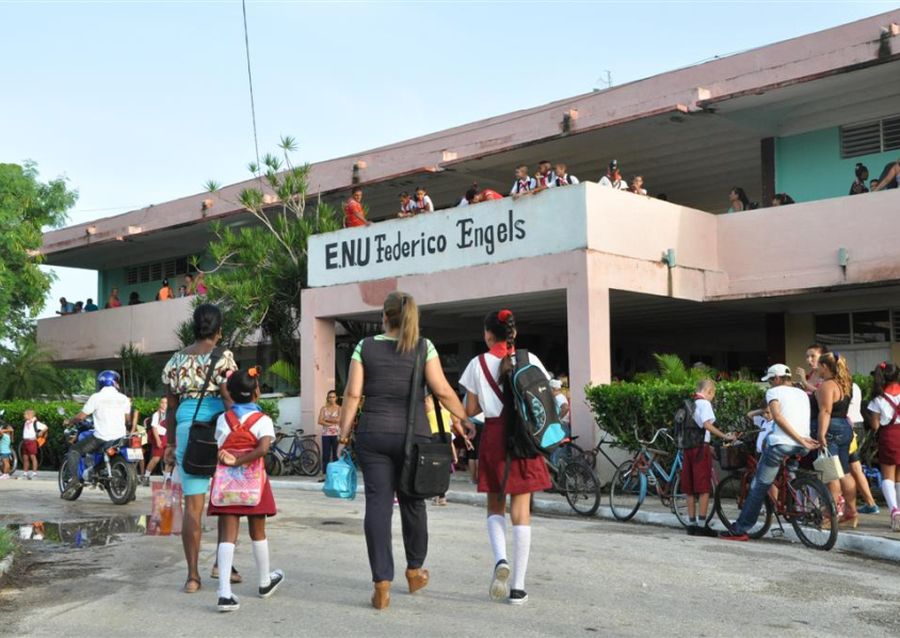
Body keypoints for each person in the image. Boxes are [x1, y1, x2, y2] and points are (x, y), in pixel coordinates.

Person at [337, 291, 471, 610]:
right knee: (413, 502)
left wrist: (343, 433)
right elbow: (440, 389)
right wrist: (465, 419)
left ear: (384, 316)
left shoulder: (364, 346)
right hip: (414, 438)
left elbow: (353, 394)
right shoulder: (424, 346)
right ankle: (414, 571)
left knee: (378, 506)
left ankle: (381, 583)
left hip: (373, 435)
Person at [459, 308, 551, 605]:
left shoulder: (477, 364)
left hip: (495, 436)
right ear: (514, 333)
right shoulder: (530, 359)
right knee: (522, 513)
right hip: (524, 438)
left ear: (488, 336)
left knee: (495, 505)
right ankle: (518, 588)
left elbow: (472, 409)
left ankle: (500, 560)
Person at [162, 303, 239, 593]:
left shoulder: (175, 361)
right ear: (219, 330)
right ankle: (222, 564)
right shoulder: (224, 358)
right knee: (224, 501)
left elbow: (171, 407)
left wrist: (169, 443)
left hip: (186, 431)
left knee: (193, 505)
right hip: (218, 431)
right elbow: (231, 400)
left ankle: (193, 577)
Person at [209, 367, 284, 612]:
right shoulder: (263, 420)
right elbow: (263, 449)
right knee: (258, 532)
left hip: (227, 485)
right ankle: (264, 581)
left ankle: (224, 593)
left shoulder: (223, 419)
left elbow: (220, 446)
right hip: (255, 484)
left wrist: (231, 460)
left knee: (227, 536)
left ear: (229, 392)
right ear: (257, 393)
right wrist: (242, 461)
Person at [720, 364, 817, 541]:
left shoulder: (774, 393)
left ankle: (740, 529)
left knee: (758, 486)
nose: (771, 384)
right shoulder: (802, 393)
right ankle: (789, 503)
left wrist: (797, 438)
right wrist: (802, 440)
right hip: (803, 445)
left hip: (783, 444)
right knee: (787, 476)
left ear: (778, 378)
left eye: (771, 380)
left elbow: (778, 418)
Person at [62, 371, 132, 495]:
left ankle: (75, 480)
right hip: (120, 437)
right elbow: (128, 420)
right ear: (114, 382)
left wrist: (70, 421)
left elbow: (81, 417)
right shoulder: (124, 398)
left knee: (74, 450)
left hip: (102, 437)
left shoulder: (96, 397)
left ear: (101, 382)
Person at [684, 380, 736, 536]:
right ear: (708, 391)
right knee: (704, 488)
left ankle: (691, 524)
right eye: (713, 394)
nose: (712, 398)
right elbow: (706, 425)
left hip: (688, 447)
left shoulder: (689, 403)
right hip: (701, 449)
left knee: (690, 488)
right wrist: (724, 436)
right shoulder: (704, 404)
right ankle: (702, 525)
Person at [815, 351, 858, 526]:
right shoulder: (846, 384)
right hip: (845, 428)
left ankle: (829, 515)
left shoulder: (827, 385)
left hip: (831, 428)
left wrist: (820, 433)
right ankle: (851, 512)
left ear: (825, 366)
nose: (817, 368)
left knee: (830, 473)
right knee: (845, 472)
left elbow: (825, 411)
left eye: (818, 365)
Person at [866, 362, 900, 530]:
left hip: (889, 436)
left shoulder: (878, 399)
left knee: (888, 476)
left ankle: (894, 511)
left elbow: (875, 425)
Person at [425, 394, 471, 506]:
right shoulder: (446, 403)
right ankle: (441, 496)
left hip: (433, 436)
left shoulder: (427, 401)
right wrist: (464, 436)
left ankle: (437, 495)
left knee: (434, 465)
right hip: (446, 436)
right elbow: (456, 422)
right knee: (444, 467)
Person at [847, 380, 879, 514]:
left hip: (848, 426)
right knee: (855, 467)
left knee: (845, 470)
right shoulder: (853, 385)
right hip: (857, 425)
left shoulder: (839, 385)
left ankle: (848, 508)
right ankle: (869, 503)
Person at [143, 398, 168, 483]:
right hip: (159, 437)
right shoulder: (157, 414)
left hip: (167, 437)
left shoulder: (170, 414)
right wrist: (157, 440)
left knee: (168, 458)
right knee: (156, 458)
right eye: (162, 402)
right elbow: (154, 428)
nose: (164, 404)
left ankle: (167, 477)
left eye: (166, 403)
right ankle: (146, 476)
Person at [317, 390, 341, 479]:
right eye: (330, 397)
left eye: (333, 397)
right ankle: (324, 475)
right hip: (326, 434)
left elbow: (339, 420)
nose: (332, 399)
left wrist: (326, 420)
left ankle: (336, 475)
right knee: (325, 455)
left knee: (336, 454)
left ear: (336, 398)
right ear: (327, 398)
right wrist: (331, 422)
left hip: (336, 434)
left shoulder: (339, 408)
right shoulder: (323, 408)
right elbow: (319, 421)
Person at [21, 409, 48, 480]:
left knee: (33, 457)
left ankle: (34, 473)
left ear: (30, 415)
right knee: (25, 457)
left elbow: (45, 427)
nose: (24, 415)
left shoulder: (35, 422)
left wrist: (41, 432)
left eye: (25, 414)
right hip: (25, 441)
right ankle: (25, 473)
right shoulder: (26, 422)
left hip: (32, 441)